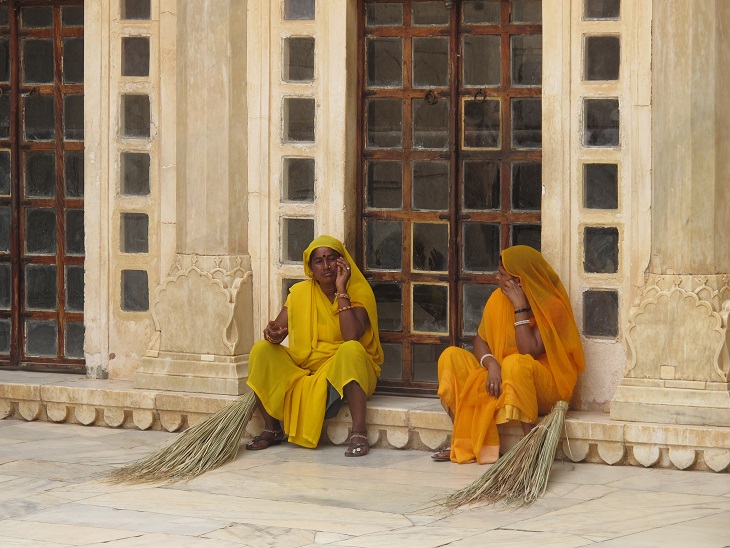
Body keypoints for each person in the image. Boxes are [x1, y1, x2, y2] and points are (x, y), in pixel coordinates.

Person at [433, 245, 584, 464]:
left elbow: (528, 350)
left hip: (544, 384)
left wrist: (520, 306)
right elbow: (480, 341)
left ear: (519, 281)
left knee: (516, 363)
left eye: (503, 275)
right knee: (451, 356)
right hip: (501, 376)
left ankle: (530, 446)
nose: (498, 278)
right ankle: (464, 441)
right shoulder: (497, 298)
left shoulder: (552, 306)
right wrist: (492, 364)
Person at [245, 235, 383, 457]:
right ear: (310, 267)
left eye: (331, 259)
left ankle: (359, 432)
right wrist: (272, 335)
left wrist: (341, 289)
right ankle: (272, 428)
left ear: (342, 262)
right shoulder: (300, 293)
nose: (326, 266)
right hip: (307, 365)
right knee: (261, 350)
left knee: (351, 349)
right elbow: (277, 330)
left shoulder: (359, 292)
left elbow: (351, 335)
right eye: (318, 261)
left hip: (347, 368)